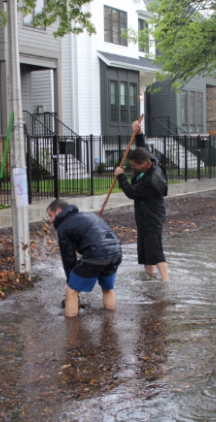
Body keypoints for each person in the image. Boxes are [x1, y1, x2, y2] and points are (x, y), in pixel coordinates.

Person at [47, 199, 122, 317]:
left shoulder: (64, 226)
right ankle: (109, 325)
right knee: (107, 288)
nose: (50, 221)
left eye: (50, 216)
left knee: (71, 292)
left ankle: (72, 332)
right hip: (116, 252)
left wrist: (71, 282)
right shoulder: (86, 215)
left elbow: (68, 257)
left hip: (97, 254)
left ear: (58, 211)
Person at [114, 127, 169, 281]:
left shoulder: (151, 180)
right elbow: (142, 146)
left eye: (135, 166)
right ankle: (149, 278)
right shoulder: (150, 160)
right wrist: (139, 133)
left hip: (152, 218)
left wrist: (121, 177)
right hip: (144, 217)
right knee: (145, 252)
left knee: (156, 252)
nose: (134, 168)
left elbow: (132, 193)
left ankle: (166, 283)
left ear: (144, 163)